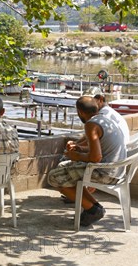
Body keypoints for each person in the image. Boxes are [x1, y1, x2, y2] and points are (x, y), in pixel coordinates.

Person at [47, 96, 127, 227]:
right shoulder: (106, 119)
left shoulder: (91, 125)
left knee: (54, 177)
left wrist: (76, 156)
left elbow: (96, 157)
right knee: (63, 168)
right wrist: (79, 148)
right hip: (118, 171)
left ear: (80, 112)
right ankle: (94, 207)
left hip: (105, 173)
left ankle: (92, 209)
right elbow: (98, 149)